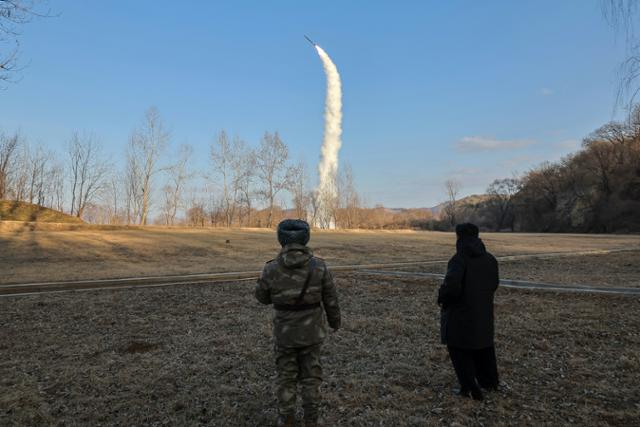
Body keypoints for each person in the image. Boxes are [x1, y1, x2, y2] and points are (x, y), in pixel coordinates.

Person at [255, 219, 341, 427]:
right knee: (311, 378)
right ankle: (312, 420)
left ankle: (287, 420)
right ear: (306, 237)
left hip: (284, 335)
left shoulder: (271, 268)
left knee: (286, 378)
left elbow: (262, 297)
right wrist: (334, 322)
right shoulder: (319, 266)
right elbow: (331, 299)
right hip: (312, 333)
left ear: (280, 239)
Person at [437, 223, 500, 401]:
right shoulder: (490, 259)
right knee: (484, 347)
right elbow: (494, 284)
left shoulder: (458, 260)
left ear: (459, 237)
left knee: (459, 349)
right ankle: (490, 381)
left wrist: (442, 297)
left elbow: (452, 287)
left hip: (460, 314)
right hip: (484, 313)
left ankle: (470, 388)